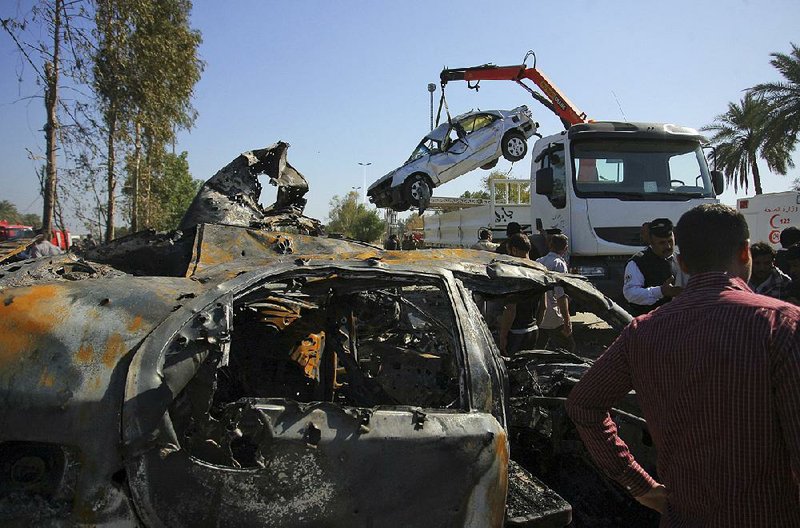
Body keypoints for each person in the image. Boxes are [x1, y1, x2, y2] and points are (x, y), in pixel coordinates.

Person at [566, 204, 800, 526]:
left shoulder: (641, 333)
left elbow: (582, 404)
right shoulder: (782, 324)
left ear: (681, 261)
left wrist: (642, 486)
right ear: (745, 253)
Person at [623, 218, 682, 315]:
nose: (668, 246)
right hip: (647, 321)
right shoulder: (638, 262)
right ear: (652, 242)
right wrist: (660, 291)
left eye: (670, 241)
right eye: (662, 243)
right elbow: (630, 294)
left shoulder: (678, 259)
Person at [497, 233, 539, 356]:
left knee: (512, 370)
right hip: (533, 329)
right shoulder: (539, 269)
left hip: (516, 332)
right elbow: (544, 305)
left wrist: (503, 336)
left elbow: (511, 309)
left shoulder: (514, 272)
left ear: (514, 250)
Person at [535, 233, 574, 352]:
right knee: (568, 348)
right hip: (555, 316)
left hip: (539, 314)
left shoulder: (538, 261)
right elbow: (561, 295)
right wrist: (567, 320)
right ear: (566, 248)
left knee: (538, 348)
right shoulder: (559, 264)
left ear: (550, 245)